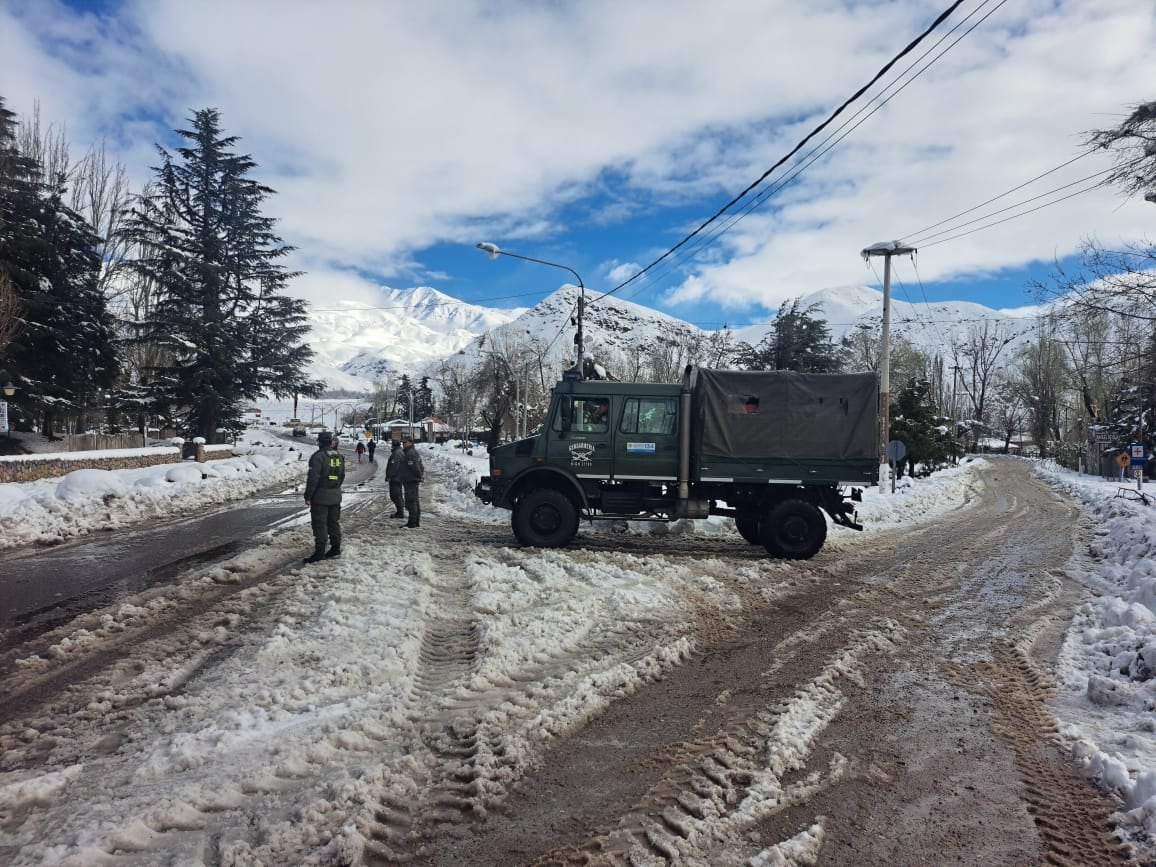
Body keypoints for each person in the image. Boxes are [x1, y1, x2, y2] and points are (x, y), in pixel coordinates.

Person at [303, 430, 345, 563]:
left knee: (320, 524)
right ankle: (335, 548)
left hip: (321, 497)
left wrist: (308, 495)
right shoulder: (338, 456)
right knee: (333, 522)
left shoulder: (318, 457)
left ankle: (319, 552)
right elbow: (341, 475)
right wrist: (335, 486)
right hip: (336, 494)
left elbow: (313, 479)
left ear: (319, 442)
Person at [399, 436, 425, 528]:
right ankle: (415, 521)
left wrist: (419, 476)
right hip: (411, 480)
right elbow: (420, 466)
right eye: (403, 442)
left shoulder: (410, 453)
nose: (403, 444)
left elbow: (415, 467)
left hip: (411, 480)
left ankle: (412, 522)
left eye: (405, 442)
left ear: (410, 442)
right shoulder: (413, 452)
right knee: (414, 501)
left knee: (411, 501)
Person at [385, 439, 405, 519]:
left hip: (396, 478)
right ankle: (400, 511)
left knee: (395, 495)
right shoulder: (399, 452)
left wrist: (389, 476)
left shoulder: (396, 454)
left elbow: (394, 467)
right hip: (399, 477)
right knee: (397, 495)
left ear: (394, 445)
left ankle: (400, 512)